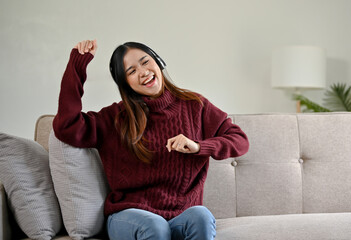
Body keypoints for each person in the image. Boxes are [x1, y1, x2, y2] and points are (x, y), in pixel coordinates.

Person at [53, 39, 250, 240]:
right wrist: (77, 66)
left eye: (145, 62)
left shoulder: (195, 105)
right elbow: (66, 126)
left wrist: (198, 146)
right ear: (125, 83)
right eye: (131, 71)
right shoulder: (114, 118)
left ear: (159, 62)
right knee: (154, 226)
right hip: (129, 215)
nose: (143, 72)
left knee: (201, 215)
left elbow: (239, 140)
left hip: (180, 215)